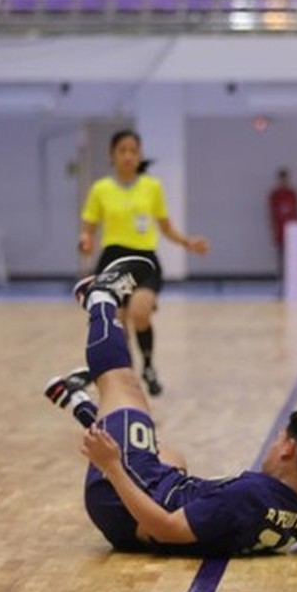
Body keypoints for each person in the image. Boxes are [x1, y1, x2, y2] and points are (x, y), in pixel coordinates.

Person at [44, 255, 297, 556]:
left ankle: (98, 297)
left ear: (288, 448)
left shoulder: (248, 497)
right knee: (169, 454)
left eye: (278, 438)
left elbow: (166, 529)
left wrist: (113, 467)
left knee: (122, 385)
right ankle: (77, 401)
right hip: (161, 491)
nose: (273, 445)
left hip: (119, 503)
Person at [79, 130, 210, 397]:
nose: (128, 156)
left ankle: (148, 366)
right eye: (122, 151)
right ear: (112, 155)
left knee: (140, 312)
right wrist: (85, 241)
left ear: (139, 155)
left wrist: (188, 243)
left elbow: (166, 228)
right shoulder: (100, 189)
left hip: (144, 260)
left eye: (133, 151)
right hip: (112, 259)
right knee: (117, 322)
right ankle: (125, 374)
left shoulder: (152, 187)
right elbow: (88, 229)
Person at [268, 167, 297, 276]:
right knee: (281, 257)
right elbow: (271, 214)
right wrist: (273, 230)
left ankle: (293, 276)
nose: (284, 181)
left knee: (293, 256)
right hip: (280, 231)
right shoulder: (274, 195)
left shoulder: (292, 194)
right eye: (282, 179)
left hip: (292, 231)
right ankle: (281, 277)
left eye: (285, 179)